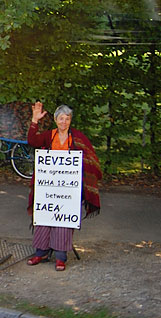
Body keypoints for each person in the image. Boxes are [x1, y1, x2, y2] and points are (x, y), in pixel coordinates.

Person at [26, 102, 102, 271]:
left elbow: (90, 158)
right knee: (44, 216)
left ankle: (60, 256)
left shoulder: (77, 137)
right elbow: (32, 141)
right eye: (61, 118)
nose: (64, 122)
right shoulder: (49, 135)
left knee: (64, 218)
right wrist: (34, 121)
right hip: (48, 186)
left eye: (67, 119)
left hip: (68, 188)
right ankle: (41, 252)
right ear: (55, 120)